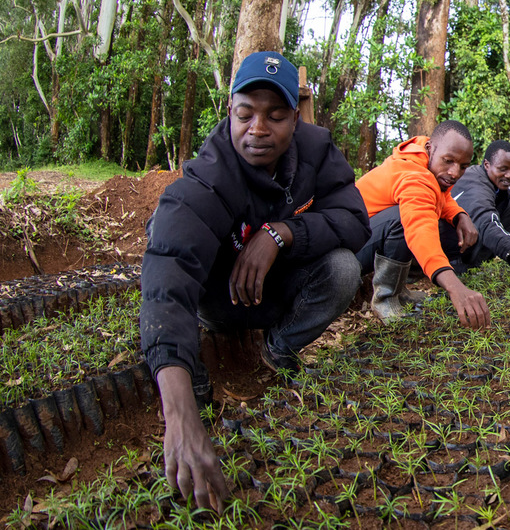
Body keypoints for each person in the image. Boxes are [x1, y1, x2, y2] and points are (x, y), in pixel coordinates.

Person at [140, 51, 371, 512]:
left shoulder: (318, 152)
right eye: (245, 114)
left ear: (295, 120)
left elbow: (354, 220)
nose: (259, 129)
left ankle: (276, 350)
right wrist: (180, 415)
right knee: (163, 234)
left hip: (278, 294)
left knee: (345, 267)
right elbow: (168, 279)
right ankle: (199, 373)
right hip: (222, 301)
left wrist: (282, 233)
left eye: (276, 115)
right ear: (230, 113)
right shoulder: (207, 179)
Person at [354, 121, 488, 328]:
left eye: (463, 166)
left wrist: (460, 215)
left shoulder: (425, 159)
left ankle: (399, 289)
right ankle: (385, 298)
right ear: (430, 148)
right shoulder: (413, 176)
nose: (455, 173)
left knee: (447, 230)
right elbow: (420, 230)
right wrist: (455, 287)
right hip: (349, 249)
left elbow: (440, 197)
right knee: (402, 220)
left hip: (371, 233)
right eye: (448, 161)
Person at [445, 140, 510, 276]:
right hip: (449, 238)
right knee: (484, 224)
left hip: (471, 231)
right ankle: (454, 262)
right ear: (487, 165)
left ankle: (476, 261)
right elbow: (487, 223)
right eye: (503, 169)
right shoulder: (476, 186)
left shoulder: (500, 182)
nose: (509, 175)